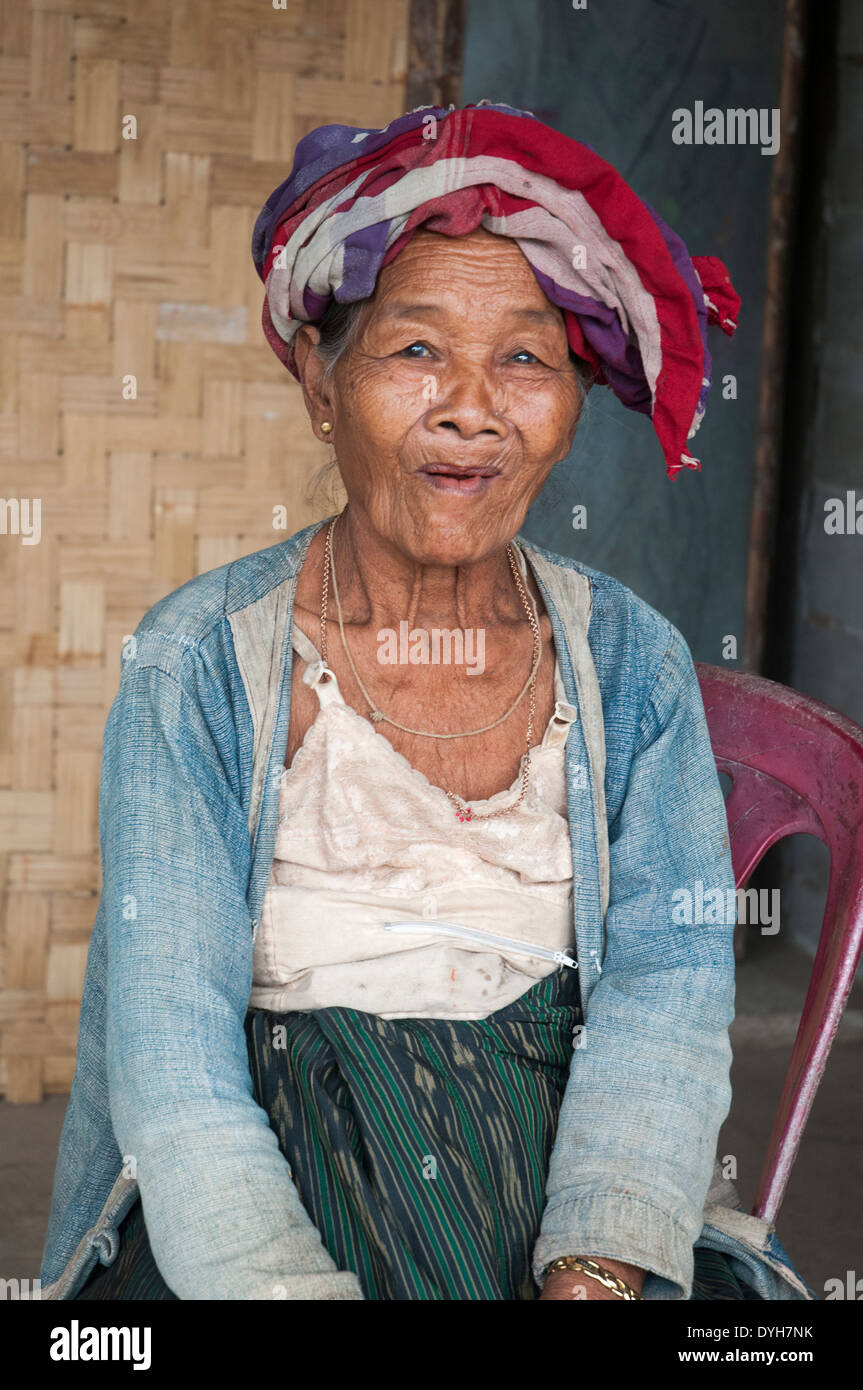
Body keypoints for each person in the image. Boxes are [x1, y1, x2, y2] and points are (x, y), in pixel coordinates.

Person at [42, 101, 812, 1301]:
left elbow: (666, 991)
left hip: (559, 1178)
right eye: (414, 350)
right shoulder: (199, 661)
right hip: (266, 1183)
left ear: (571, 403)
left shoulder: (631, 662)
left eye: (523, 359)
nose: (469, 407)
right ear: (321, 384)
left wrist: (593, 1267)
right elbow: (169, 1053)